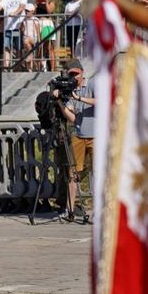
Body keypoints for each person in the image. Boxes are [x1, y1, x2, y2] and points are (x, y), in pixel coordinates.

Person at [59, 59, 95, 220]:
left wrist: (79, 99)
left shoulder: (92, 85)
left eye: (76, 74)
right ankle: (69, 209)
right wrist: (61, 102)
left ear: (82, 73)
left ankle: (97, 211)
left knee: (97, 174)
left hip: (96, 135)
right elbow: (73, 118)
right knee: (73, 174)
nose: (74, 77)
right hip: (79, 135)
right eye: (71, 74)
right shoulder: (71, 90)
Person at [0, 0, 28, 69]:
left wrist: (14, 13)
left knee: (18, 47)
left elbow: (22, 7)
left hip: (16, 27)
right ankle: (6, 67)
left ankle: (18, 67)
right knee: (6, 47)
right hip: (7, 28)